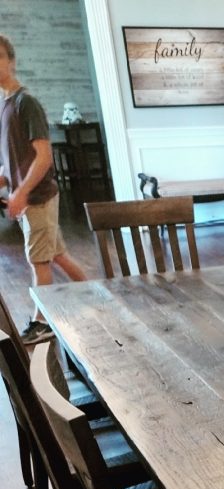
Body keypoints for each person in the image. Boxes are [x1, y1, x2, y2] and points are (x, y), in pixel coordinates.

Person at [0, 33, 86, 342]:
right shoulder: (5, 105)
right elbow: (15, 161)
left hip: (37, 198)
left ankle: (42, 322)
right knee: (57, 254)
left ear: (11, 61)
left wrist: (21, 193)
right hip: (28, 198)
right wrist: (6, 181)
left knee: (39, 260)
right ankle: (98, 296)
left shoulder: (26, 103)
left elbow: (44, 156)